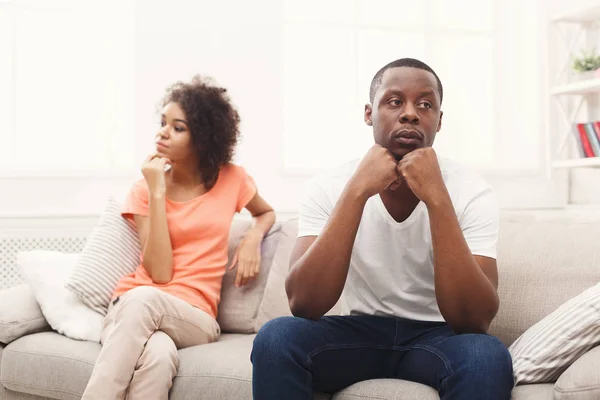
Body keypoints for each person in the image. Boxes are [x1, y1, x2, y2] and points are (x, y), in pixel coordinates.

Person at [251, 58, 513, 399]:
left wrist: (438, 200)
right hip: (358, 333)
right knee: (276, 338)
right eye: (394, 101)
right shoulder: (330, 185)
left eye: (425, 104)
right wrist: (358, 190)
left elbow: (474, 321)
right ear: (368, 114)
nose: (410, 114)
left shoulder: (471, 190)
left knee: (486, 355)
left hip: (439, 336)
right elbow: (305, 304)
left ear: (439, 120)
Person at [82, 75, 275, 400]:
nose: (162, 132)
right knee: (158, 357)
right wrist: (157, 192)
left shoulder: (232, 178)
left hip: (194, 315)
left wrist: (254, 237)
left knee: (144, 300)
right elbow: (159, 272)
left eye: (178, 127)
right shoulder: (145, 188)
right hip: (129, 308)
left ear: (203, 138)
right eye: (162, 123)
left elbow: (265, 212)